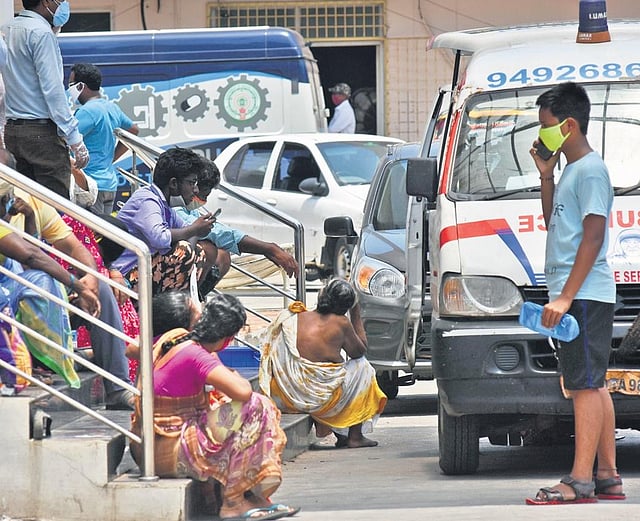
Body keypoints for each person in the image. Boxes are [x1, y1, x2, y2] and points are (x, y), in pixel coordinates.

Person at [526, 82, 624, 504]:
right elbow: (555, 222)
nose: (541, 133)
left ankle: (580, 480)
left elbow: (593, 237)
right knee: (592, 384)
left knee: (582, 386)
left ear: (568, 125)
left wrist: (566, 296)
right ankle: (607, 475)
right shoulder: (571, 170)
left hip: (583, 294)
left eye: (545, 125)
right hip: (580, 292)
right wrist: (546, 176)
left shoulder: (591, 171)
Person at [131, 291, 299, 521]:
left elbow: (132, 348)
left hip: (152, 445)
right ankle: (233, 501)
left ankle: (249, 495)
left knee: (229, 407)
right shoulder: (194, 353)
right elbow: (243, 391)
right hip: (166, 450)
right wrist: (233, 377)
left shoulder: (175, 340)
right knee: (257, 406)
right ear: (228, 339)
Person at [0, 152, 134, 409]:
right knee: (40, 284)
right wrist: (77, 286)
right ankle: (51, 360)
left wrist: (90, 277)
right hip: (15, 299)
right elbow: (30, 257)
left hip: (30, 294)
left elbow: (72, 247)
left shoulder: (29, 200)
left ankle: (117, 387)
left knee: (101, 288)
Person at [259, 278, 387, 449]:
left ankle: (341, 435)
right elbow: (359, 352)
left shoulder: (296, 317)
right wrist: (356, 312)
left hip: (285, 396)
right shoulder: (341, 322)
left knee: (326, 378)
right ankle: (355, 436)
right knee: (363, 368)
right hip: (317, 399)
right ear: (345, 307)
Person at [1, 0, 89, 198]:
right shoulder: (41, 33)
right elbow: (53, 91)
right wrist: (75, 140)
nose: (63, 5)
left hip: (13, 132)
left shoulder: (7, 29)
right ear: (46, 1)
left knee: (25, 203)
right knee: (55, 204)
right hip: (41, 135)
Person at [175, 157, 299, 295]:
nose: (202, 200)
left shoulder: (186, 206)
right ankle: (186, 299)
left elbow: (215, 231)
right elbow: (212, 232)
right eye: (201, 194)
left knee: (221, 254)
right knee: (208, 249)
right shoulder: (173, 206)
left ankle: (195, 297)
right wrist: (268, 248)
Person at [109, 147, 217, 296]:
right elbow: (160, 237)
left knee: (198, 251)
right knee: (183, 250)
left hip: (142, 270)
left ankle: (177, 303)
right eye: (192, 183)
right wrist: (194, 230)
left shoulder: (165, 206)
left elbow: (188, 232)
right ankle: (169, 306)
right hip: (124, 275)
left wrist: (194, 234)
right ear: (173, 183)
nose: (196, 190)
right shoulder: (147, 200)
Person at [69, 63, 140, 215]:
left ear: (81, 86)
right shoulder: (111, 107)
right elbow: (133, 130)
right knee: (103, 229)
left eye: (71, 85)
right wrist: (111, 158)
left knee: (88, 230)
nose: (69, 89)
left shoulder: (87, 111)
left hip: (90, 185)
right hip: (109, 184)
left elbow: (66, 137)